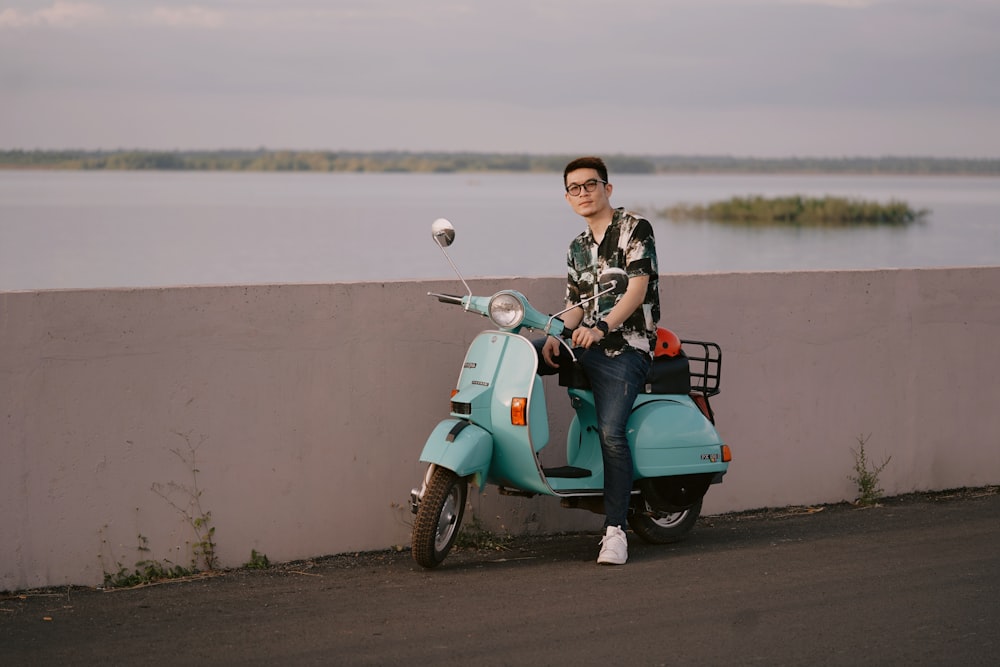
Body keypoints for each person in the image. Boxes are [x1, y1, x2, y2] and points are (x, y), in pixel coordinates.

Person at [536, 156, 660, 565]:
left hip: (627, 348)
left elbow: (636, 292)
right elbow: (575, 305)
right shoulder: (576, 247)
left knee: (610, 430)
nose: (583, 193)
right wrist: (555, 332)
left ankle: (615, 531)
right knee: (524, 359)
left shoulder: (635, 229)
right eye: (575, 188)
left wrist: (603, 327)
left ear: (608, 188)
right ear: (567, 197)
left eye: (591, 185)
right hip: (586, 344)